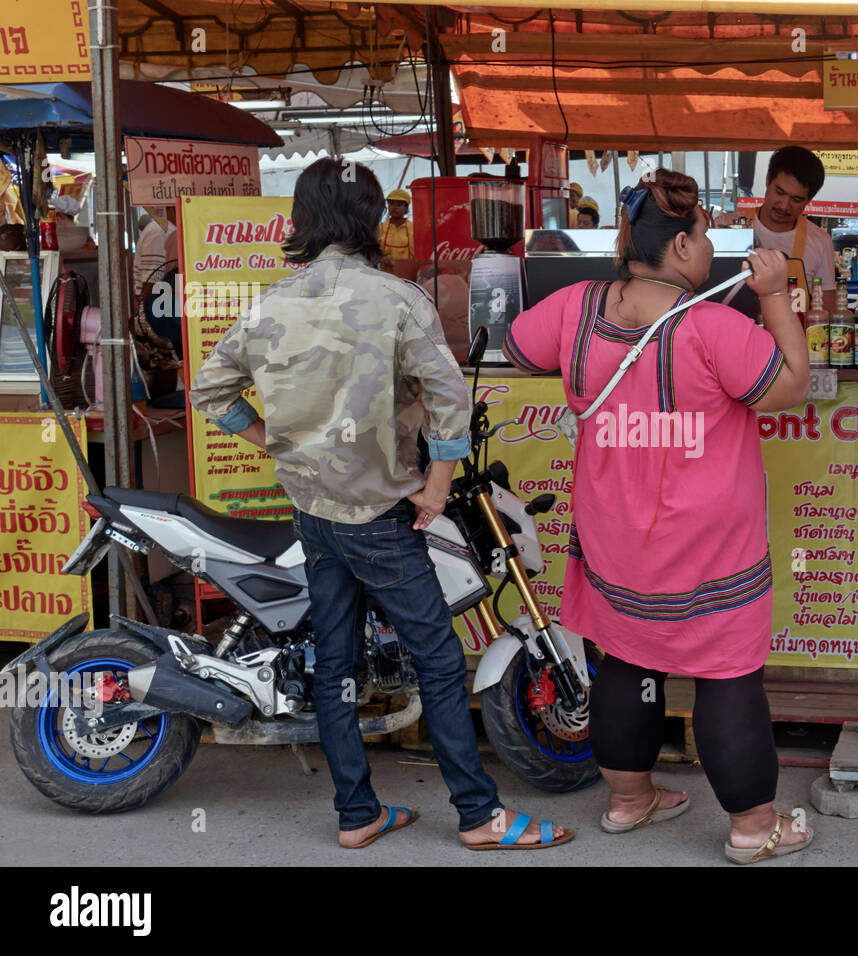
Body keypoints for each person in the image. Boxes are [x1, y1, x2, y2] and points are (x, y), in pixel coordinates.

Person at [189, 157, 570, 852]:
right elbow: (453, 398)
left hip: (315, 513)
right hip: (379, 519)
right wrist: (434, 484)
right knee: (438, 660)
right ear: (371, 221)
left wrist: (275, 445)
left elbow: (209, 392)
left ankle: (356, 813)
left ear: (302, 221)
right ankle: (481, 817)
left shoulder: (272, 303)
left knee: (335, 665)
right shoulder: (397, 300)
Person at [503, 170, 813, 863]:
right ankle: (754, 829)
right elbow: (790, 386)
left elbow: (519, 348)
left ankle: (627, 800)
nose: (709, 248)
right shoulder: (711, 325)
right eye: (703, 235)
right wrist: (772, 297)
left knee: (626, 661)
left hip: (615, 537)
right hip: (711, 549)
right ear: (679, 247)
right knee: (726, 674)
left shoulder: (576, 307)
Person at [716, 147, 837, 311]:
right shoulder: (725, 226)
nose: (784, 205)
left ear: (809, 199)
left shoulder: (820, 241)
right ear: (767, 180)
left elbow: (827, 309)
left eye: (796, 199)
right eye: (779, 192)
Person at [377, 187, 415, 260]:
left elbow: (417, 255)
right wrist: (381, 258)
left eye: (399, 205)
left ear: (406, 208)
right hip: (383, 271)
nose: (394, 208)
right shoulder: (380, 227)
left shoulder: (413, 228)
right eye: (391, 204)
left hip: (406, 270)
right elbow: (373, 251)